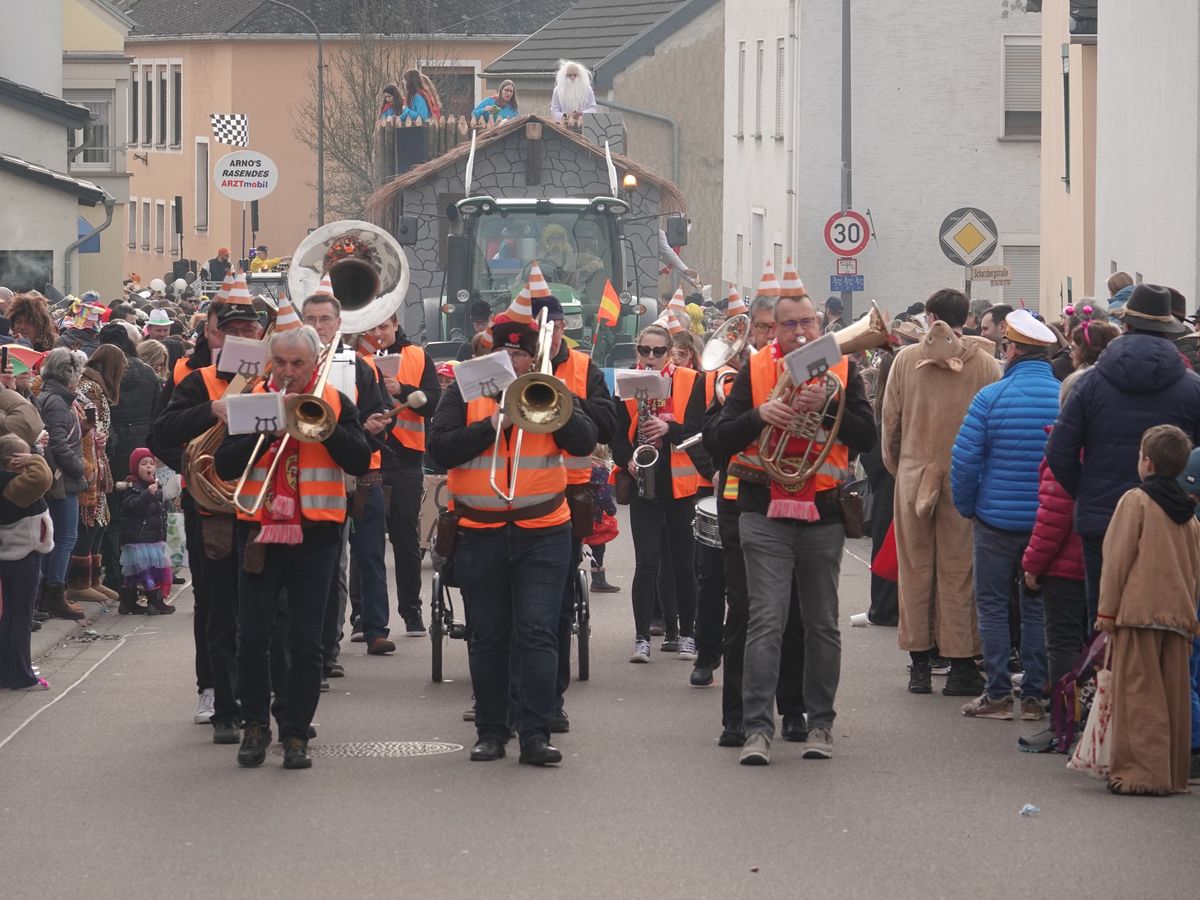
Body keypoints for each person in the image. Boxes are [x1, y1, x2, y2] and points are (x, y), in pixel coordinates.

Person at [715, 281, 876, 765]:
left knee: (823, 623)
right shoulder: (755, 369)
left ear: (821, 325)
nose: (801, 332)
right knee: (766, 621)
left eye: (808, 323)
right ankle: (757, 729)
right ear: (775, 329)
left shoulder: (843, 366)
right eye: (790, 325)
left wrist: (827, 408)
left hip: (823, 511)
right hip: (763, 509)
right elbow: (719, 438)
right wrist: (761, 415)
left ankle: (819, 724)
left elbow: (867, 436)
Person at [427, 318, 597, 767]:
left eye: (522, 355)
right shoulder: (461, 393)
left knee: (538, 632)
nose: (515, 361)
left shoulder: (551, 388)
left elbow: (585, 440)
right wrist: (493, 425)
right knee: (487, 635)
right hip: (480, 530)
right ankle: (491, 730)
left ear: (533, 357)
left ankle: (536, 733)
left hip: (543, 530)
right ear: (492, 353)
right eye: (507, 353)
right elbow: (438, 449)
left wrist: (553, 403)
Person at [215, 325, 371, 770]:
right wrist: (268, 428)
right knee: (253, 637)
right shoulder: (252, 402)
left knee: (306, 641)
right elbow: (227, 464)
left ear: (315, 364)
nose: (287, 372)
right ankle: (255, 726)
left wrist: (321, 425)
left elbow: (360, 459)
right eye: (280, 362)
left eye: (297, 364)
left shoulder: (337, 403)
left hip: (317, 534)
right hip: (259, 532)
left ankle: (297, 733)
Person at [1046, 284, 1200, 627]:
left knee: (1103, 617)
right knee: (1167, 620)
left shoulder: (1089, 383)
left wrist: (1086, 490)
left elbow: (1059, 452)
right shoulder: (1192, 388)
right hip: (1171, 520)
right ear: (1169, 331)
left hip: (1102, 518)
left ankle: (1106, 679)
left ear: (1126, 326)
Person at [151, 297, 263, 741]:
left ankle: (259, 694)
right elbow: (159, 434)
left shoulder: (275, 377)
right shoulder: (197, 381)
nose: (242, 337)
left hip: (264, 507)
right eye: (231, 329)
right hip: (213, 508)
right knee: (217, 607)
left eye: (250, 330)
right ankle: (217, 695)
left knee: (268, 608)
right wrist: (206, 422)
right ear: (214, 335)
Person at [882, 289, 1001, 695]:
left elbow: (891, 425)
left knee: (915, 569)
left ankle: (919, 665)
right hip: (965, 478)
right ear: (967, 317)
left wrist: (901, 469)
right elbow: (993, 429)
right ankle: (962, 665)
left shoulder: (905, 361)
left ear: (929, 315)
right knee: (959, 570)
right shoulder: (984, 364)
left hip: (914, 476)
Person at [951, 308, 1061, 721]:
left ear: (1012, 349)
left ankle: (997, 693)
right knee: (1035, 605)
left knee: (993, 605)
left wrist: (968, 507)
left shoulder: (990, 397)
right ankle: (1034, 696)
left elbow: (964, 462)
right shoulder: (1063, 396)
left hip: (994, 520)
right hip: (1045, 522)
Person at [1095, 425, 1200, 795]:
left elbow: (1117, 558)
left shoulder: (1135, 501)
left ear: (1147, 462)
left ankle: (1142, 773)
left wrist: (1107, 612)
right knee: (1173, 698)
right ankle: (1172, 773)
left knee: (1140, 693)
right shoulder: (1189, 514)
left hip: (1139, 611)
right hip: (1179, 615)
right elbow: (1194, 571)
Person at [531, 292, 615, 732]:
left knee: (557, 604)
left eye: (557, 325)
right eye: (542, 326)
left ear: (564, 326)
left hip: (569, 496)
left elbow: (609, 423)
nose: (551, 333)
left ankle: (551, 698)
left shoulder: (585, 368)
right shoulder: (503, 363)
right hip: (511, 497)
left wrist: (564, 401)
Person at [613, 323, 702, 663]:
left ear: (669, 351)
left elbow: (700, 431)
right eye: (645, 351)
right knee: (647, 563)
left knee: (682, 564)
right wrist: (627, 459)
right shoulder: (626, 384)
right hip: (643, 483)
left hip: (679, 485)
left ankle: (687, 634)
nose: (651, 357)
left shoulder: (691, 381)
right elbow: (617, 435)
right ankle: (641, 638)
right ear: (638, 350)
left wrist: (670, 428)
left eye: (658, 351)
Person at [1017, 373, 1088, 753]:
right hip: (1095, 558)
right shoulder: (1106, 442)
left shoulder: (1064, 445)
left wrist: (1032, 564)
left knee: (1061, 644)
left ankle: (1064, 723)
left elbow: (1053, 514)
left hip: (1063, 564)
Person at [367, 311, 439, 638]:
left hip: (408, 458)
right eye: (374, 327)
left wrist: (401, 388)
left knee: (406, 539)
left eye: (385, 325)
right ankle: (364, 619)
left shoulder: (418, 356)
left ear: (396, 325)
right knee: (366, 542)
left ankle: (412, 612)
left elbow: (434, 404)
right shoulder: (358, 357)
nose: (380, 332)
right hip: (370, 457)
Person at [32, 348, 88, 620]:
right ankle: (54, 592)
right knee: (65, 536)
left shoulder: (55, 397)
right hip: (62, 478)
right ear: (70, 374)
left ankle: (50, 590)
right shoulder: (56, 401)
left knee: (58, 536)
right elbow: (59, 443)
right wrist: (80, 468)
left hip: (61, 476)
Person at [68, 345, 125, 605]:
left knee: (100, 518)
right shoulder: (91, 387)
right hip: (90, 458)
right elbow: (89, 424)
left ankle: (92, 579)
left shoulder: (95, 385)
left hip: (98, 457)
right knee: (90, 518)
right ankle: (80, 582)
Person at [0, 435, 55, 690]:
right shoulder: (15, 485)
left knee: (9, 615)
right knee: (20, 617)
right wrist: (34, 458)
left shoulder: (9, 483)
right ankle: (21, 675)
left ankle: (7, 671)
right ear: (14, 462)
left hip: (11, 556)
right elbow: (45, 477)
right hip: (23, 554)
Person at [118, 448, 173, 615]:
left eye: (151, 463)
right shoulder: (131, 487)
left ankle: (127, 602)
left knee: (134, 574)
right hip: (138, 539)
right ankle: (154, 601)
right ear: (135, 467)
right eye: (143, 464)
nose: (149, 467)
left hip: (152, 538)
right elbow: (132, 506)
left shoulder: (154, 486)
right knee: (147, 572)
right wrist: (148, 495)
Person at [550, 59, 597, 126]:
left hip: (585, 126)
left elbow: (593, 108)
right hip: (564, 127)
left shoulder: (587, 89)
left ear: (579, 75)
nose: (572, 78)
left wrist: (582, 113)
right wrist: (567, 116)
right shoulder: (558, 90)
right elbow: (554, 110)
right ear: (565, 76)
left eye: (575, 75)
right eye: (570, 75)